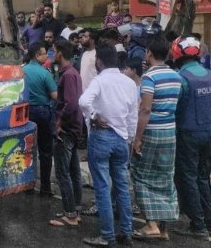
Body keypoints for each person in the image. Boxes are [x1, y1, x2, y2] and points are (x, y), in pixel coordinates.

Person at [79, 44, 138, 247]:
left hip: (101, 138)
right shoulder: (129, 83)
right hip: (122, 139)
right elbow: (133, 116)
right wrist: (129, 139)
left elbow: (84, 101)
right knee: (122, 187)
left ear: (99, 61)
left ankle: (107, 235)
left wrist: (94, 116)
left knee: (103, 188)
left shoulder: (100, 81)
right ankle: (127, 232)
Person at [130, 39, 180, 241]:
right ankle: (163, 227)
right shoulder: (176, 76)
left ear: (149, 53)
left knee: (141, 175)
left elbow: (146, 109)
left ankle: (151, 225)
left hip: (152, 131)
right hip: (170, 131)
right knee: (165, 175)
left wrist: (137, 138)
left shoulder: (149, 77)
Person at [170, 36, 211, 240]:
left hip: (187, 134)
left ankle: (198, 225)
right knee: (203, 176)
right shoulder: (209, 74)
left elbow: (175, 107)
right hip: (208, 133)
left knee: (188, 178)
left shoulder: (181, 78)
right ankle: (208, 221)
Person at [49, 39, 84, 228]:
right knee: (73, 171)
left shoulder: (68, 75)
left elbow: (70, 104)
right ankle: (74, 210)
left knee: (64, 174)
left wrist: (59, 124)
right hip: (73, 129)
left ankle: (70, 215)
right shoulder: (71, 73)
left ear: (60, 53)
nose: (52, 54)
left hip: (67, 130)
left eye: (53, 51)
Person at [23, 42, 58, 196]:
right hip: (43, 112)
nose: (47, 55)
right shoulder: (45, 73)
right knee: (45, 151)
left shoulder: (21, 71)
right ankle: (45, 187)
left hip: (25, 113)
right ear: (37, 55)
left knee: (27, 149)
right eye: (44, 53)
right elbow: (55, 95)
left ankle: (27, 185)